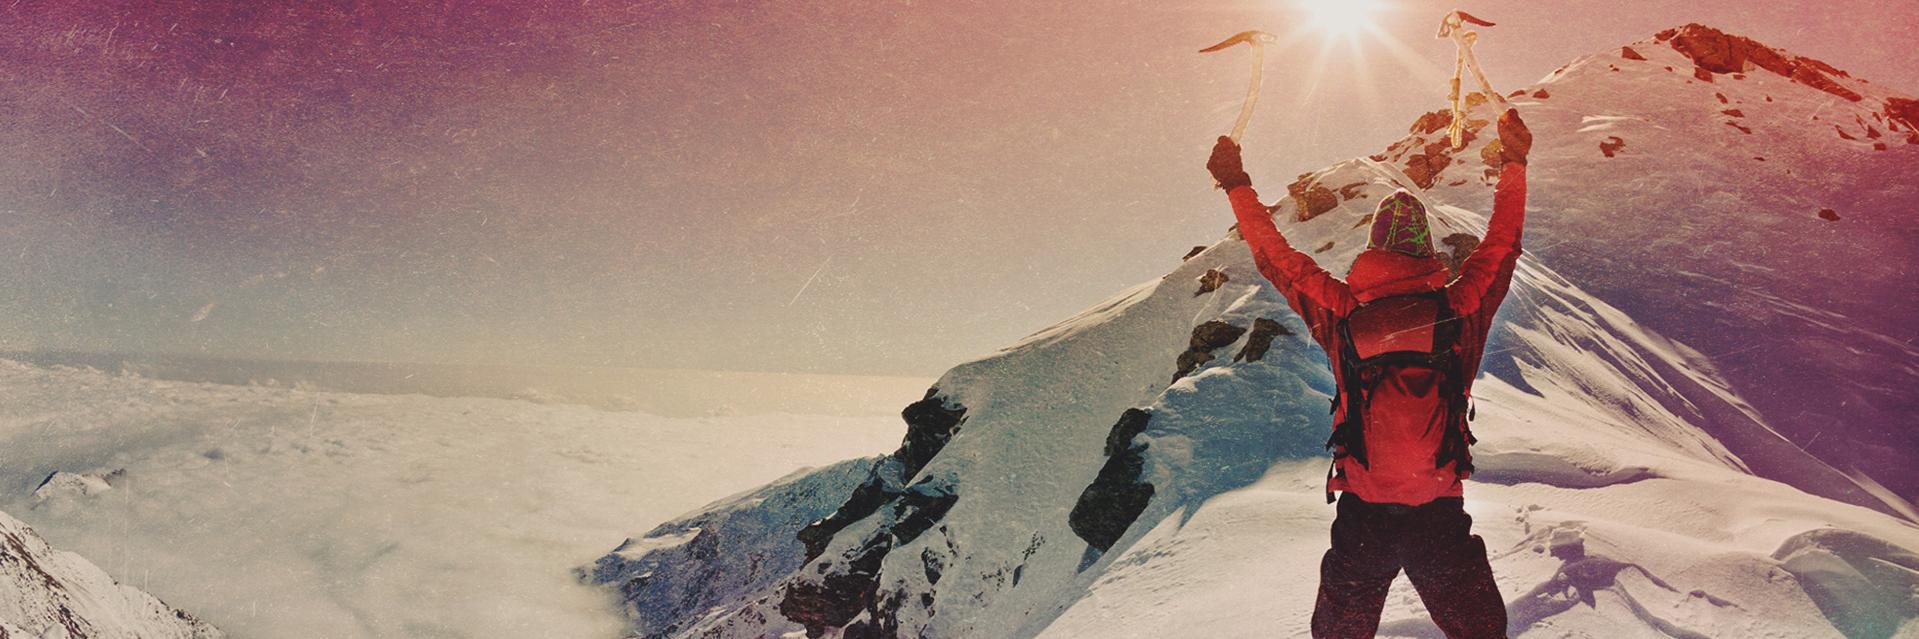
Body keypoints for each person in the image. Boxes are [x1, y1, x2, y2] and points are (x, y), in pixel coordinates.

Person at [1206, 107, 1532, 638]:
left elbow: (1275, 257)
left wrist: (1235, 184)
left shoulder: (1341, 312)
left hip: (1363, 518)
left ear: (1375, 247)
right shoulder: (1461, 307)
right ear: (1426, 249)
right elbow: (1502, 245)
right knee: (1480, 631)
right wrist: (1514, 164)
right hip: (1439, 514)